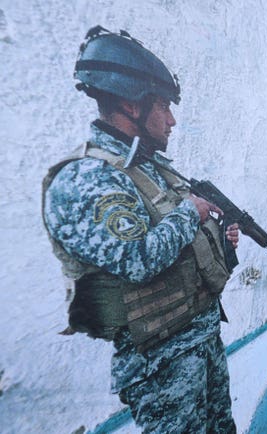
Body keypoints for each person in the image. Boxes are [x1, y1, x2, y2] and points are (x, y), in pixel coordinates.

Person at [42, 26, 238, 433]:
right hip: (162, 363)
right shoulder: (88, 179)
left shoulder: (149, 167)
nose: (172, 120)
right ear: (132, 107)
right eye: (163, 106)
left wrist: (219, 238)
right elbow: (137, 259)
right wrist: (191, 214)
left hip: (200, 341)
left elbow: (180, 243)